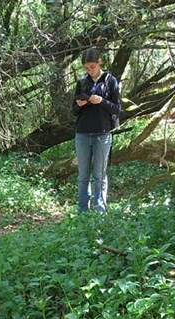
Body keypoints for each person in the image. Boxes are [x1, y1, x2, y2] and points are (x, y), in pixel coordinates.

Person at [72, 47, 121, 213]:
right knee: (83, 176)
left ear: (99, 62)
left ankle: (100, 211)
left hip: (102, 133)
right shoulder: (81, 82)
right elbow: (73, 111)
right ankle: (82, 212)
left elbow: (117, 109)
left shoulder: (110, 81)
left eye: (92, 67)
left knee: (100, 175)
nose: (90, 71)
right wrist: (80, 105)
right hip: (82, 134)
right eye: (86, 68)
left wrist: (101, 100)